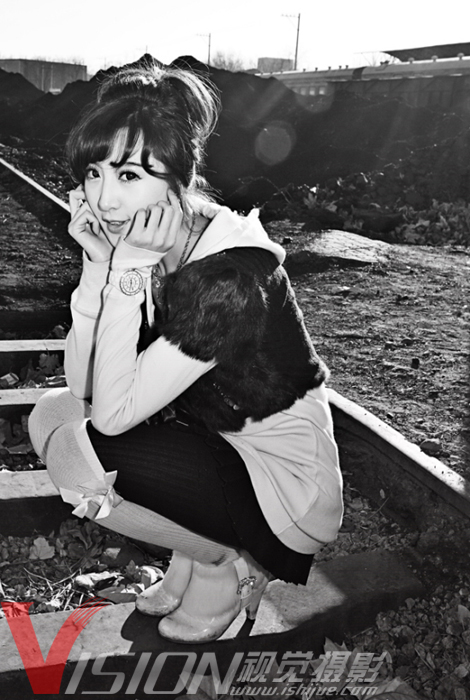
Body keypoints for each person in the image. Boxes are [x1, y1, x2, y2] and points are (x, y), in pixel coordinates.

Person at [29, 59, 343, 644]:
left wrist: (126, 270)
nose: (104, 198)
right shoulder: (155, 243)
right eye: (93, 173)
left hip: (285, 487)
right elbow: (83, 385)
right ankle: (195, 550)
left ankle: (224, 562)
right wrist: (98, 268)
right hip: (216, 440)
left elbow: (112, 418)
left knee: (78, 452)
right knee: (52, 413)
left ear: (180, 178)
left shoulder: (227, 277)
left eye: (129, 176)